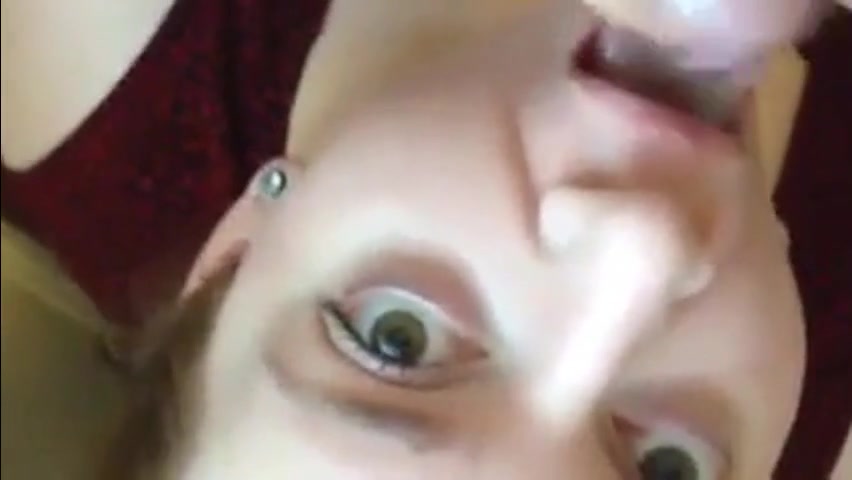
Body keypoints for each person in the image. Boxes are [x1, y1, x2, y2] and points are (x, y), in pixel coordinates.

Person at [1, 0, 849, 478]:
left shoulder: (96, 55)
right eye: (668, 472)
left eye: (397, 339)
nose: (645, 244)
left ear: (236, 255)